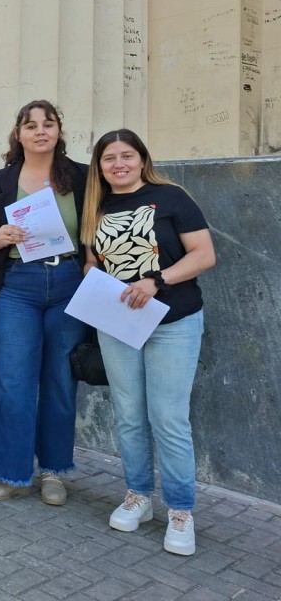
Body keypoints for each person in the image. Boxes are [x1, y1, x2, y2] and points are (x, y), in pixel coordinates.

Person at [81, 129, 215, 556]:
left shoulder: (171, 197)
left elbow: (204, 255)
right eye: (109, 158)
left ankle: (180, 510)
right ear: (100, 166)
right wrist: (91, 276)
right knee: (129, 416)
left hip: (173, 321)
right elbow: (92, 259)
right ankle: (138, 495)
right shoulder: (95, 207)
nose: (118, 164)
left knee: (168, 418)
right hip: (118, 322)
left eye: (127, 155)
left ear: (141, 159)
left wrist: (156, 280)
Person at [0, 100, 90, 505]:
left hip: (69, 281)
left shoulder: (82, 177)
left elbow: (98, 226)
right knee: (11, 378)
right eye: (31, 125)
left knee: (60, 379)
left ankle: (54, 471)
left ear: (58, 131)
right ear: (18, 134)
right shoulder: (1, 181)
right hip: (18, 283)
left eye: (48, 124)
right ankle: (10, 472)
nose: (40, 131)